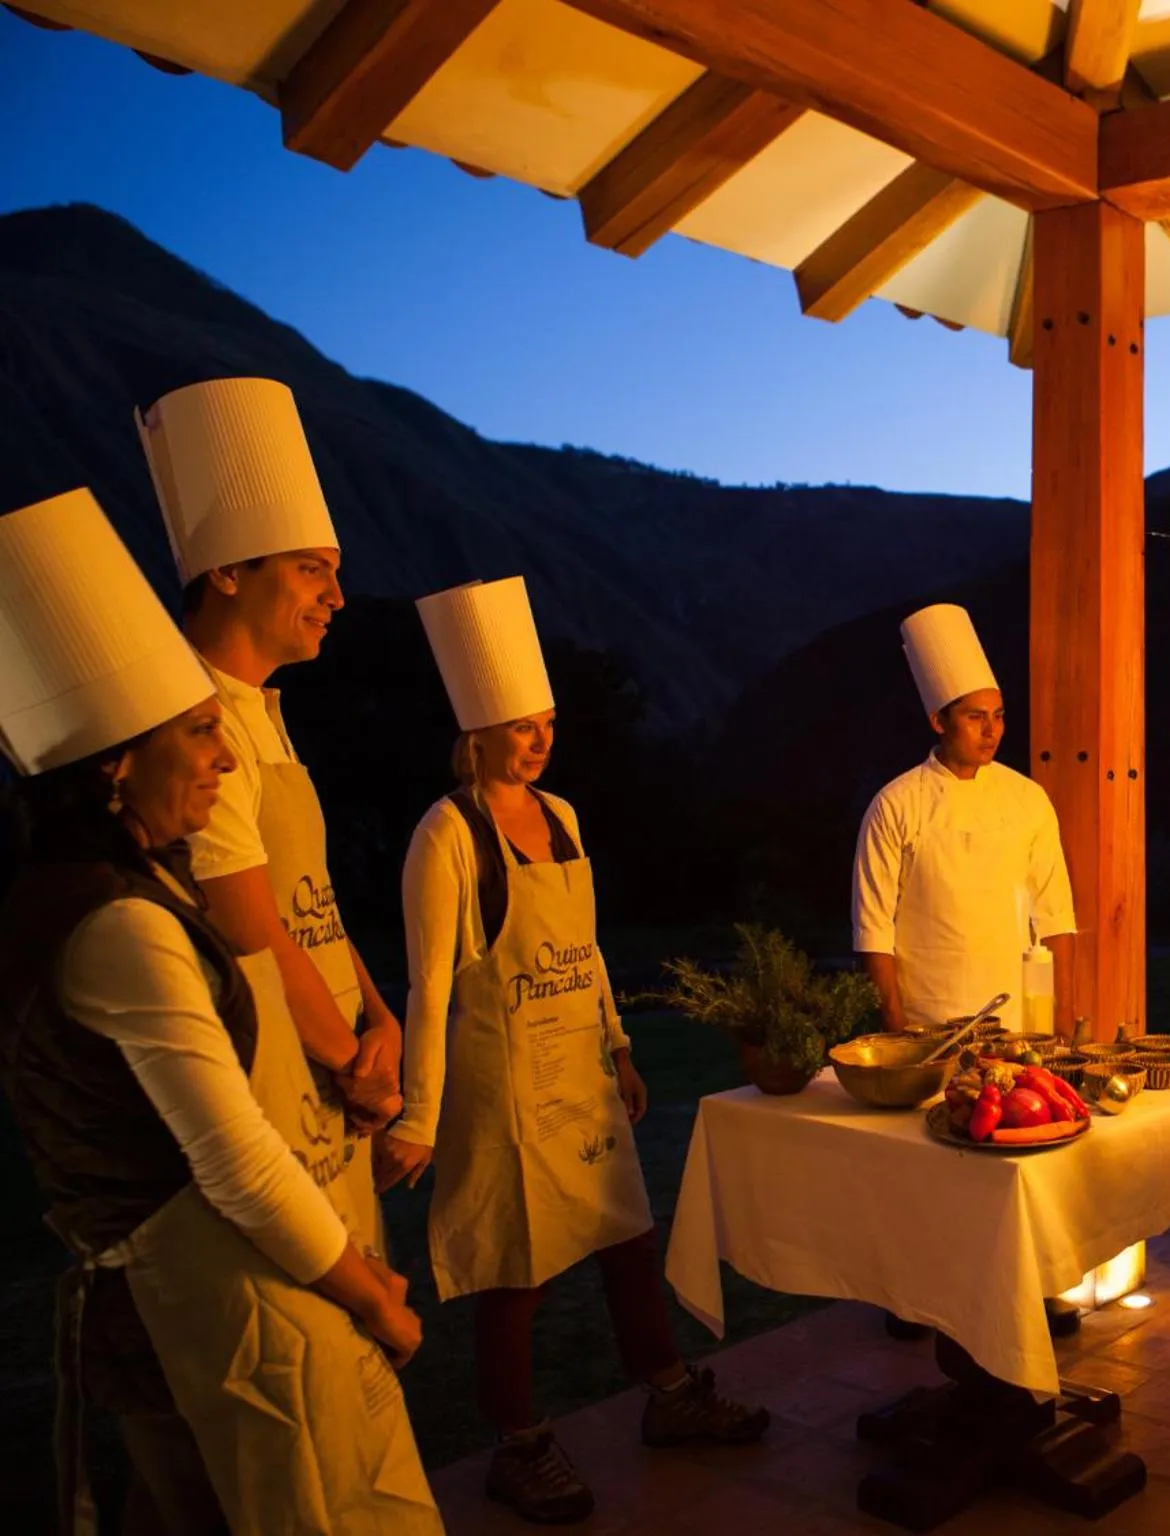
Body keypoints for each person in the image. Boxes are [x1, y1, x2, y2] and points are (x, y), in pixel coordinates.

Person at [0, 489, 439, 1534]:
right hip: (193, 1279)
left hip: (173, 1280)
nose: (225, 752)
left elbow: (308, 909)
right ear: (115, 766)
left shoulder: (83, 893)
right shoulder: (123, 926)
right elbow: (236, 1161)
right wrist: (372, 1295)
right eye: (200, 730)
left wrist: (372, 1016)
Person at [378, 578, 766, 1524]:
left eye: (547, 721)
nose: (542, 740)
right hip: (502, 1086)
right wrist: (420, 1117)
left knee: (626, 1238)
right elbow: (430, 985)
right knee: (515, 1270)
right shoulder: (447, 832)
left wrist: (623, 1048)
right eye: (522, 725)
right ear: (480, 731)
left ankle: (670, 1396)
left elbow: (583, 950)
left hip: (579, 1074)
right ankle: (519, 1445)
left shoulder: (563, 817)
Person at [138, 377, 399, 1261]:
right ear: (227, 571)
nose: (336, 595)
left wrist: (378, 1016)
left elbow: (303, 896)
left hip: (331, 1051)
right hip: (276, 1063)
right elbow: (245, 922)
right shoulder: (193, 716)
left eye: (335, 573)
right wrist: (355, 1065)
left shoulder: (261, 710)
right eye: (311, 569)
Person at [851, 603, 1081, 1337]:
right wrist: (897, 1026)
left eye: (999, 715)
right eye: (976, 717)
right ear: (938, 721)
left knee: (1022, 1167)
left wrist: (1056, 1014)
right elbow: (872, 926)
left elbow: (1056, 912)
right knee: (933, 1174)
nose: (992, 729)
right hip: (930, 1021)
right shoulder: (897, 805)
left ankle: (1035, 1290)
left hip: (1016, 1017)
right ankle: (920, 1299)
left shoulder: (1026, 800)